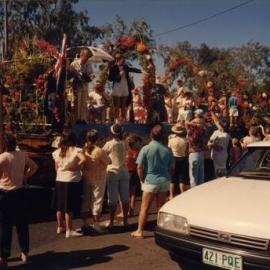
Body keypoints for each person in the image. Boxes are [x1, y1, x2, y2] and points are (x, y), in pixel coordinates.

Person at [0, 134, 38, 267]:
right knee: (21, 223)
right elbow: (34, 167)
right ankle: (24, 252)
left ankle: (4, 255)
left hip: (4, 192)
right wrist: (24, 177)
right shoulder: (22, 155)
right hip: (20, 191)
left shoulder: (3, 157)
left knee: (5, 226)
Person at [131, 124, 174, 238]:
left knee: (145, 208)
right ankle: (161, 230)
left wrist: (141, 180)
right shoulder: (168, 150)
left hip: (150, 180)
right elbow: (172, 167)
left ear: (151, 135)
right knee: (161, 207)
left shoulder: (145, 149)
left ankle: (140, 231)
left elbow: (139, 167)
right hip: (164, 180)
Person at [52, 132, 86, 238]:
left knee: (59, 205)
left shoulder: (57, 152)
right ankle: (69, 230)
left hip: (59, 179)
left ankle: (60, 226)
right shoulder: (76, 150)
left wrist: (60, 173)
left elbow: (56, 167)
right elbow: (83, 159)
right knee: (68, 206)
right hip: (71, 179)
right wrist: (76, 167)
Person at [81, 130, 111, 233]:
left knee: (86, 201)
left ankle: (84, 223)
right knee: (97, 201)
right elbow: (108, 161)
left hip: (86, 176)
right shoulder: (99, 151)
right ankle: (96, 225)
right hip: (99, 178)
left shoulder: (83, 149)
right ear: (97, 139)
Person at [103, 124, 129, 228]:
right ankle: (125, 221)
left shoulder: (109, 144)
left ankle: (112, 222)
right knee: (125, 198)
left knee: (112, 198)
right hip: (124, 170)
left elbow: (102, 154)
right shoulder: (125, 142)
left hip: (112, 171)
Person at [108, 54, 141, 122]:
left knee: (124, 104)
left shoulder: (125, 67)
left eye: (124, 61)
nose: (124, 62)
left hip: (125, 86)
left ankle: (123, 118)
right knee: (117, 104)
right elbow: (110, 79)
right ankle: (116, 119)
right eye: (122, 60)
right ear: (118, 60)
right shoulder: (113, 68)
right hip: (117, 87)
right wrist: (119, 74)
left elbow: (132, 69)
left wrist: (140, 71)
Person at [70, 48, 94, 123]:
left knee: (84, 103)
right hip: (77, 86)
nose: (87, 58)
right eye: (86, 56)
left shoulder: (89, 64)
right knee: (77, 103)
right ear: (82, 55)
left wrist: (90, 77)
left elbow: (92, 74)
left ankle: (82, 119)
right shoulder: (74, 64)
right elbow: (70, 76)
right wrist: (76, 77)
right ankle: (76, 119)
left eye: (88, 57)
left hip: (85, 85)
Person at [168, 123, 189, 199]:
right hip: (182, 158)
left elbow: (169, 149)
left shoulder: (171, 140)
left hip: (174, 158)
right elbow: (186, 150)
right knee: (182, 178)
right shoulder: (185, 140)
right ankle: (182, 195)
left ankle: (171, 195)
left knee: (172, 178)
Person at [186, 111, 206, 188]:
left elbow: (186, 123)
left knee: (193, 176)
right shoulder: (203, 130)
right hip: (201, 153)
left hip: (194, 154)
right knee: (201, 176)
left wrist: (192, 123)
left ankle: (193, 193)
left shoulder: (192, 131)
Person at [208, 112, 231, 177]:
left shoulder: (226, 136)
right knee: (216, 172)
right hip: (214, 155)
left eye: (220, 124)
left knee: (221, 172)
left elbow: (221, 148)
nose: (218, 125)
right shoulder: (216, 132)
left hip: (222, 156)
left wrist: (212, 145)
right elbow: (210, 140)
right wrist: (210, 142)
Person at [126, 134, 141, 216]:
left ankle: (127, 210)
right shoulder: (137, 151)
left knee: (126, 193)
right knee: (133, 192)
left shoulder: (126, 151)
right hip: (134, 172)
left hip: (128, 172)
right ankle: (131, 209)